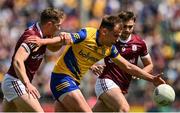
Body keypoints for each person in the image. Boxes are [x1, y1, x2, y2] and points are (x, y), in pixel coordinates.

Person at [26, 14, 165, 112]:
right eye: (115, 35)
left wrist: (151, 78)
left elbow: (128, 66)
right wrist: (42, 41)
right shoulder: (87, 35)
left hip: (73, 83)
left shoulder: (109, 49)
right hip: (61, 79)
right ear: (104, 31)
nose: (117, 40)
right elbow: (64, 40)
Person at [90, 11, 157, 112]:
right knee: (124, 109)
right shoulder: (109, 39)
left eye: (130, 27)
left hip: (122, 88)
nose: (127, 30)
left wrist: (139, 73)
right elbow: (88, 52)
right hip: (106, 81)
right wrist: (93, 65)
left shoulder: (140, 43)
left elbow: (149, 65)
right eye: (124, 26)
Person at [1, 7, 64, 112]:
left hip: (14, 82)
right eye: (58, 26)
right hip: (15, 81)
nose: (59, 29)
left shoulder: (42, 35)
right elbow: (18, 60)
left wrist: (61, 40)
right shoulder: (32, 37)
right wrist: (27, 84)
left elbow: (53, 48)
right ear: (49, 24)